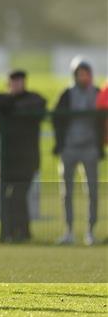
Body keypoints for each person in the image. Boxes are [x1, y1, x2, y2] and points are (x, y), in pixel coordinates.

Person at [53, 57, 104, 246]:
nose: (83, 77)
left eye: (86, 73)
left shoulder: (98, 93)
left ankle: (91, 231)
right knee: (66, 192)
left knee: (92, 191)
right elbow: (56, 118)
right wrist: (60, 144)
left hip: (90, 148)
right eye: (79, 73)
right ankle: (69, 231)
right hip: (69, 149)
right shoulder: (66, 94)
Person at [0, 70, 46, 242]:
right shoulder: (3, 100)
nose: (16, 85)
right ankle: (12, 232)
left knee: (18, 196)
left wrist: (11, 109)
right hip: (8, 160)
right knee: (9, 197)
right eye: (13, 82)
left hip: (27, 159)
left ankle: (21, 232)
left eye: (19, 81)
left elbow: (39, 104)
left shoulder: (33, 100)